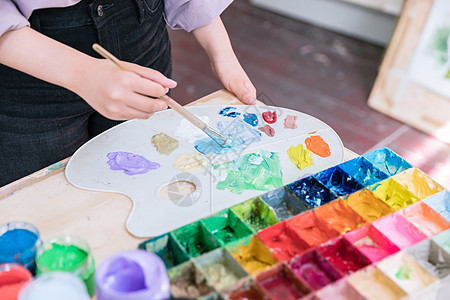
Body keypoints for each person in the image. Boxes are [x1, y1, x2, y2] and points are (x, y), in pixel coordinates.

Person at [0, 0, 257, 187]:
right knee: (54, 206)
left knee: (151, 185)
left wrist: (221, 50)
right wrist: (81, 73)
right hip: (28, 64)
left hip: (142, 37)